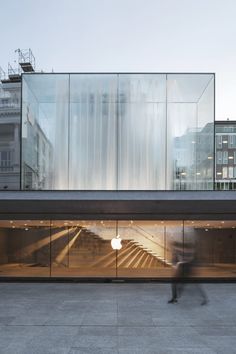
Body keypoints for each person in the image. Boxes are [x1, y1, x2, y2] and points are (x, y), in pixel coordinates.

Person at [168, 240, 208, 305]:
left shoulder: (184, 251)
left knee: (193, 285)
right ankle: (175, 297)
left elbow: (185, 260)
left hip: (186, 268)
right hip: (184, 267)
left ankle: (204, 298)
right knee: (176, 283)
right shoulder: (181, 251)